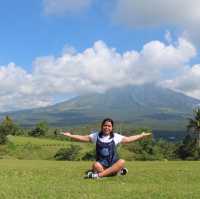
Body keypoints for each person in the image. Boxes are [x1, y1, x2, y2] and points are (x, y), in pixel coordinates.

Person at [62, 118, 152, 179]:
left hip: (113, 163)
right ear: (102, 126)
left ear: (112, 128)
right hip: (102, 164)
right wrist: (70, 135)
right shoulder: (96, 136)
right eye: (105, 125)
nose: (107, 127)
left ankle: (98, 175)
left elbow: (128, 139)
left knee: (122, 161)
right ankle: (116, 172)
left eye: (109, 126)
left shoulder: (116, 136)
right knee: (95, 165)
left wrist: (141, 136)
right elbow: (83, 137)